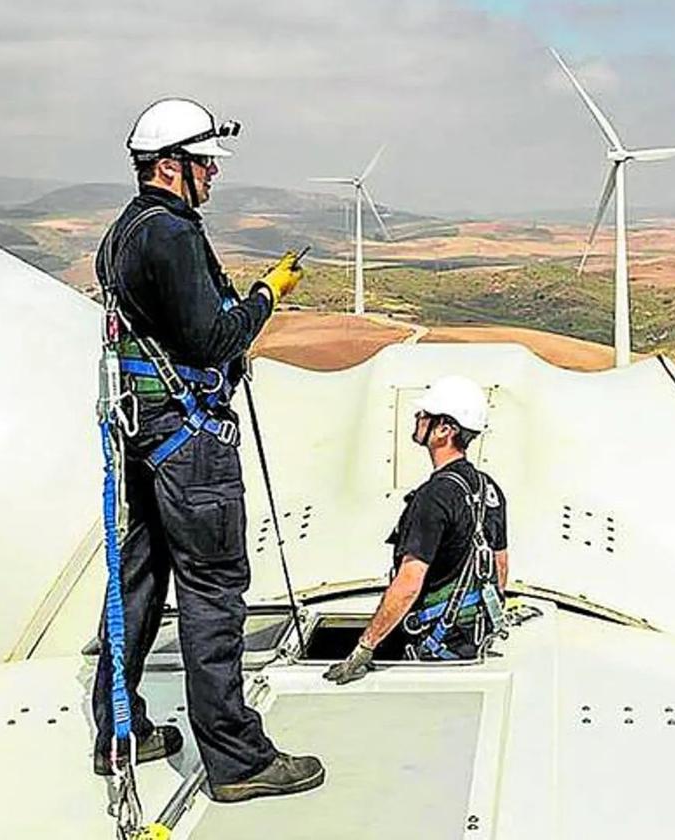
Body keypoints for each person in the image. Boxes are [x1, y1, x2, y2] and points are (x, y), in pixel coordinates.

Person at [91, 97, 324, 803]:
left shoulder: (123, 233)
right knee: (213, 592)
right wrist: (265, 296)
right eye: (204, 165)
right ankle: (236, 758)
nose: (212, 179)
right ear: (171, 165)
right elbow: (214, 339)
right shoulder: (170, 234)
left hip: (144, 437)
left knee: (136, 584)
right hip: (191, 445)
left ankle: (117, 732)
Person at [324, 375, 508, 684]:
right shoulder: (488, 488)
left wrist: (364, 647)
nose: (417, 417)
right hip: (471, 640)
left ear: (445, 430)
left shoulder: (433, 498)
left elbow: (409, 583)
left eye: (425, 415)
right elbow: (500, 567)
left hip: (436, 645)